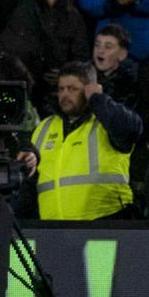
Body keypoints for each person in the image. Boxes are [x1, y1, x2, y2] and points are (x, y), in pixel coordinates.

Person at [29, 61, 138, 220]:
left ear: (89, 89)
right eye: (61, 89)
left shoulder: (105, 122)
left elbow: (131, 129)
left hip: (105, 225)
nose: (65, 95)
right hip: (53, 230)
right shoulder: (44, 127)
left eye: (72, 89)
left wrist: (98, 99)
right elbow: (30, 185)